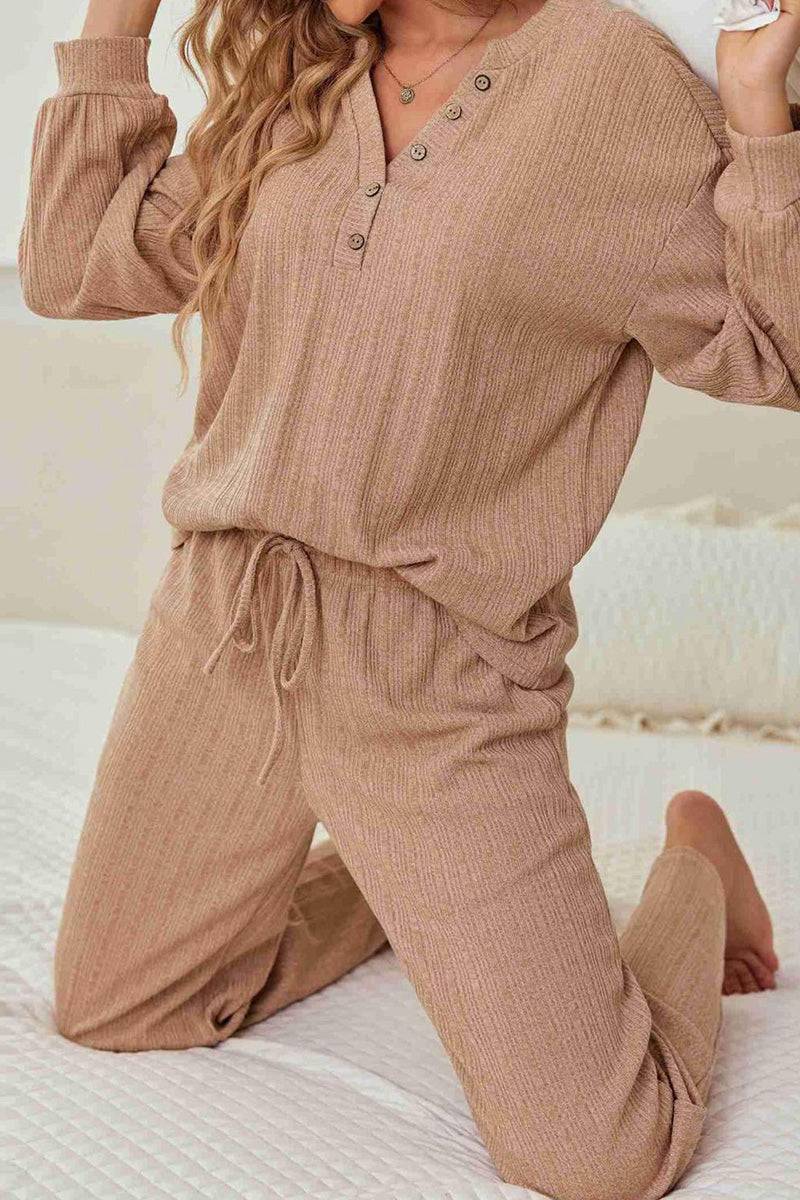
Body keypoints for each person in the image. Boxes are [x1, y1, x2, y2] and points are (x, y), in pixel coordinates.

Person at [19, 0, 794, 1197]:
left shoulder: (607, 84)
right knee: (123, 1005)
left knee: (598, 1160)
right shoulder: (298, 79)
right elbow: (75, 269)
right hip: (226, 626)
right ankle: (390, 889)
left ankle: (694, 860)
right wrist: (118, 15)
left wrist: (756, 116)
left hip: (440, 675)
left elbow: (777, 352)